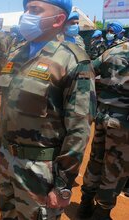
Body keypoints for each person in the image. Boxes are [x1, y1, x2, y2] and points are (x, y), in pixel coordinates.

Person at [0, 0, 96, 219]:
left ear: (58, 20)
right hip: (7, 161)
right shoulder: (17, 53)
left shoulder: (73, 61)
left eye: (35, 10)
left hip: (40, 171)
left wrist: (63, 184)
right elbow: (6, 110)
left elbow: (79, 129)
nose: (26, 15)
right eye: (26, 9)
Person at [77, 33, 129, 220]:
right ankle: (102, 212)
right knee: (115, 167)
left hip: (102, 115)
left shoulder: (113, 50)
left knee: (96, 160)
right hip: (124, 123)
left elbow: (88, 70)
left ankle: (85, 204)